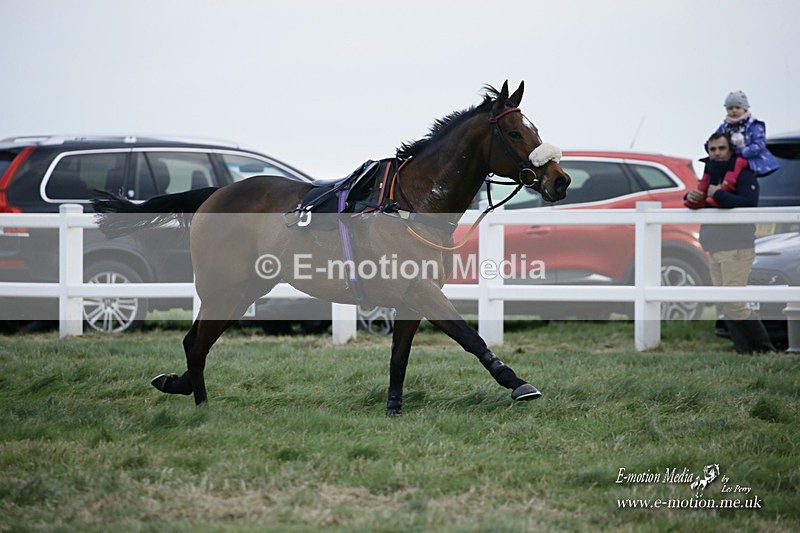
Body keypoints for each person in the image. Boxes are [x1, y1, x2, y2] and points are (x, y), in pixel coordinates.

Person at [685, 132, 775, 354]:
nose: (716, 153)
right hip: (714, 246)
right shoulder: (709, 175)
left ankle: (765, 349)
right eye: (712, 149)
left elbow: (748, 204)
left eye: (721, 148)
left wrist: (718, 195)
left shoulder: (744, 174)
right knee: (724, 303)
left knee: (734, 301)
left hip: (738, 247)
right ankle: (744, 352)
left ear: (731, 149)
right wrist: (690, 198)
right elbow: (701, 200)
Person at [715, 90, 779, 177]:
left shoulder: (754, 125)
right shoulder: (724, 127)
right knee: (711, 164)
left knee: (738, 163)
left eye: (737, 107)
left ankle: (729, 183)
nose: (734, 111)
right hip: (729, 159)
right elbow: (715, 140)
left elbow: (759, 143)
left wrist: (742, 151)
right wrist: (711, 148)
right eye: (730, 108)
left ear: (745, 109)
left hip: (752, 162)